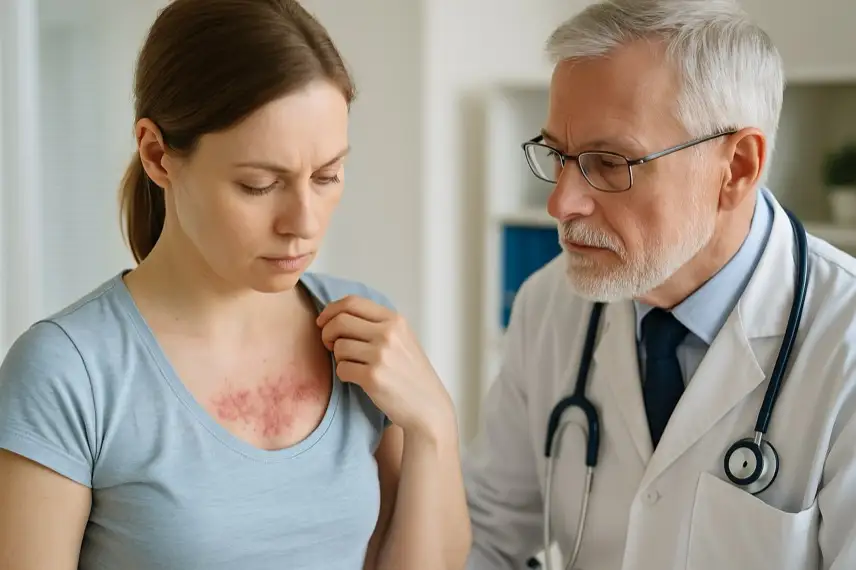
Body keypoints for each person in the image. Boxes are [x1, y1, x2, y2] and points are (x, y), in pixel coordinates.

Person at [0, 1, 471, 569]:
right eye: (259, 184)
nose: (304, 220)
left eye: (327, 176)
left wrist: (433, 426)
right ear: (157, 155)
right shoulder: (69, 371)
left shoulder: (363, 330)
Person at [463, 1, 856, 569]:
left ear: (737, 168)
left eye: (609, 162)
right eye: (558, 155)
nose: (561, 203)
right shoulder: (549, 304)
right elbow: (489, 536)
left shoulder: (843, 342)